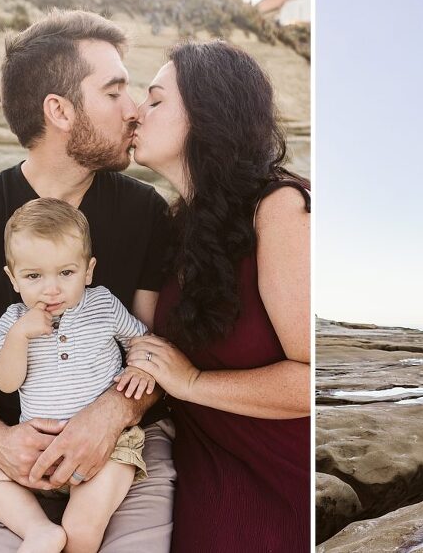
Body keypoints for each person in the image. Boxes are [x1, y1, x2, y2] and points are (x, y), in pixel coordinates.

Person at [0, 10, 175, 551]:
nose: (133, 109)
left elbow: (149, 347)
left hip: (124, 447)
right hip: (14, 455)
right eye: (114, 92)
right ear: (59, 110)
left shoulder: (145, 213)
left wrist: (112, 414)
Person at [127, 41, 311, 551]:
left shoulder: (279, 208)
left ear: (208, 115)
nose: (136, 111)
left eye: (156, 100)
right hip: (199, 473)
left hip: (279, 481)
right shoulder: (176, 224)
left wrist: (191, 382)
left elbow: (311, 377)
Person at [0, 198, 156, 553]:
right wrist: (19, 337)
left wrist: (137, 366)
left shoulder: (102, 304)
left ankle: (71, 536)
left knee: (82, 525)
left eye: (66, 273)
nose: (50, 288)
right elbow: (5, 383)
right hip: (40, 450)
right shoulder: (13, 322)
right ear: (13, 278)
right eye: (34, 276)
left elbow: (141, 339)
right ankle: (39, 530)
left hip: (107, 451)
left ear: (88, 270)